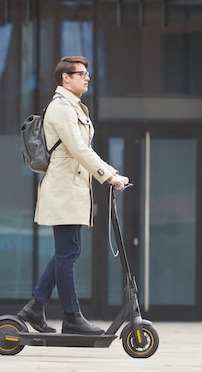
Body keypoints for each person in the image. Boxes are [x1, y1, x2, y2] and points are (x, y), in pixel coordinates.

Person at [18, 56, 129, 335]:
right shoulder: (62, 108)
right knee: (68, 253)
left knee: (68, 251)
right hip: (63, 190)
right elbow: (79, 150)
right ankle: (71, 316)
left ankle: (35, 306)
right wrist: (109, 175)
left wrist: (110, 173)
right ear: (65, 78)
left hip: (72, 190)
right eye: (81, 73)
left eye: (87, 73)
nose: (87, 77)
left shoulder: (73, 107)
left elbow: (80, 152)